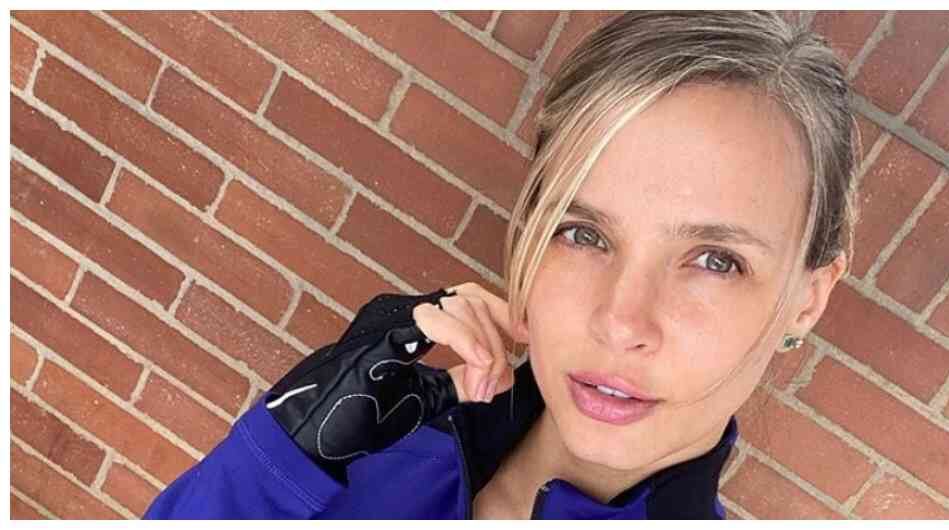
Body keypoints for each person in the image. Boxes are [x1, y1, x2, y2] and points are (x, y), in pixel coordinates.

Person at [144, 10, 858, 519]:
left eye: (715, 260)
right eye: (583, 234)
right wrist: (276, 466)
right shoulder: (364, 450)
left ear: (807, 298)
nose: (620, 322)